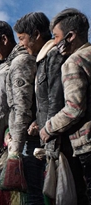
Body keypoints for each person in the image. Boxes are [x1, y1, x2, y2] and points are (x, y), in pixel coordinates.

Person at [14, 11, 88, 204]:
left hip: (78, 142)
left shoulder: (64, 59)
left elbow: (66, 104)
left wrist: (47, 131)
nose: (20, 44)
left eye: (22, 38)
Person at [39, 8, 91, 204]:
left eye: (56, 37)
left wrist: (48, 128)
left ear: (70, 36)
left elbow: (74, 108)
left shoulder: (73, 62)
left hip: (86, 145)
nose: (53, 43)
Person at [0, 19, 38, 204]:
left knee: (29, 197)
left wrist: (14, 150)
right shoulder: (11, 63)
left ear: (4, 39)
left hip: (23, 143)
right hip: (19, 140)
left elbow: (20, 107)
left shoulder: (19, 62)